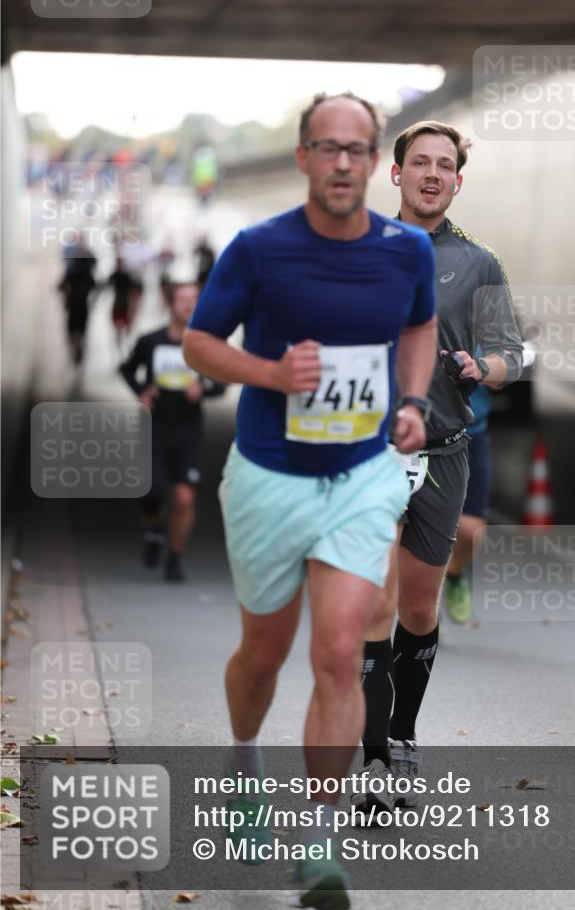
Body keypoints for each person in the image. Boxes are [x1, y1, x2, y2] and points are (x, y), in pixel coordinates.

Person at [183, 92, 437, 909]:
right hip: (267, 475)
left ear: (372, 162)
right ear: (302, 157)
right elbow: (198, 343)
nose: (340, 163)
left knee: (337, 652)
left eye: (355, 149)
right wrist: (266, 373)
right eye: (325, 148)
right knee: (264, 651)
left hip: (361, 476)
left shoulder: (406, 252)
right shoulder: (258, 250)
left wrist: (411, 402)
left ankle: (320, 846)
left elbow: (419, 327)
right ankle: (242, 761)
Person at [357, 120, 524, 811]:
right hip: (365, 454)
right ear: (394, 174)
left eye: (444, 165)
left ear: (457, 179)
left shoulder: (478, 262)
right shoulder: (358, 248)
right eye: (418, 162)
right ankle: (370, 759)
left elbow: (509, 355)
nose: (431, 174)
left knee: (418, 607)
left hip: (443, 452)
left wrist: (479, 366)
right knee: (374, 601)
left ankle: (401, 735)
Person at [119, 281, 225, 583]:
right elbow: (126, 368)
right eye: (182, 299)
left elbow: (220, 383)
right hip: (155, 427)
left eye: (194, 299)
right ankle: (154, 530)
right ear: (171, 303)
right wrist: (142, 391)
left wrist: (202, 389)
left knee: (183, 498)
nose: (188, 305)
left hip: (188, 430)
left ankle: (175, 557)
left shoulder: (205, 345)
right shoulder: (150, 341)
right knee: (151, 492)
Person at [443, 383, 492, 623]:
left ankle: (453, 574)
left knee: (471, 531)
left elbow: (505, 367)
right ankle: (418, 616)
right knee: (406, 532)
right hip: (413, 435)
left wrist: (482, 368)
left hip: (469, 433)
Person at [57, 231, 97, 365]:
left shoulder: (74, 268)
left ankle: (76, 342)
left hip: (76, 301)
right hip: (80, 301)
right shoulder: (83, 267)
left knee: (73, 324)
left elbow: (62, 284)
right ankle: (76, 342)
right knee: (78, 324)